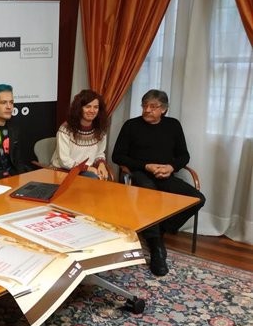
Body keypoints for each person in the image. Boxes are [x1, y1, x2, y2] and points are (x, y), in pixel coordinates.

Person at [112, 89, 206, 277]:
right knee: (150, 195)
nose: (147, 110)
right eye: (144, 105)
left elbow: (183, 155)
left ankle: (158, 229)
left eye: (153, 107)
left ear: (163, 109)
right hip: (140, 174)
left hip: (166, 175)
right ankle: (157, 249)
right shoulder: (131, 125)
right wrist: (146, 166)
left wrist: (171, 167)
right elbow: (117, 156)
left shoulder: (173, 125)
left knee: (197, 198)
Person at [50, 89, 110, 180]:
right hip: (63, 170)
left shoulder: (101, 129)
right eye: (88, 106)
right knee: (93, 180)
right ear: (79, 108)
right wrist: (87, 168)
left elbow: (99, 153)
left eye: (96, 107)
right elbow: (64, 161)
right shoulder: (65, 129)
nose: (92, 110)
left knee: (102, 179)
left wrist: (101, 164)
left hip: (87, 171)